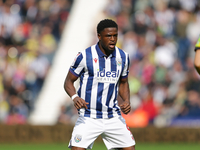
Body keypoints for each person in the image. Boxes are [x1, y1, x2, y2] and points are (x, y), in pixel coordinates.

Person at [64, 19, 136, 150]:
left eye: (115, 35)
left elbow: (124, 82)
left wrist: (126, 100)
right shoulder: (85, 56)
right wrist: (75, 97)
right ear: (99, 36)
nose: (113, 39)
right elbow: (68, 81)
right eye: (108, 36)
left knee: (130, 148)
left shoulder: (123, 57)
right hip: (89, 116)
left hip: (112, 116)